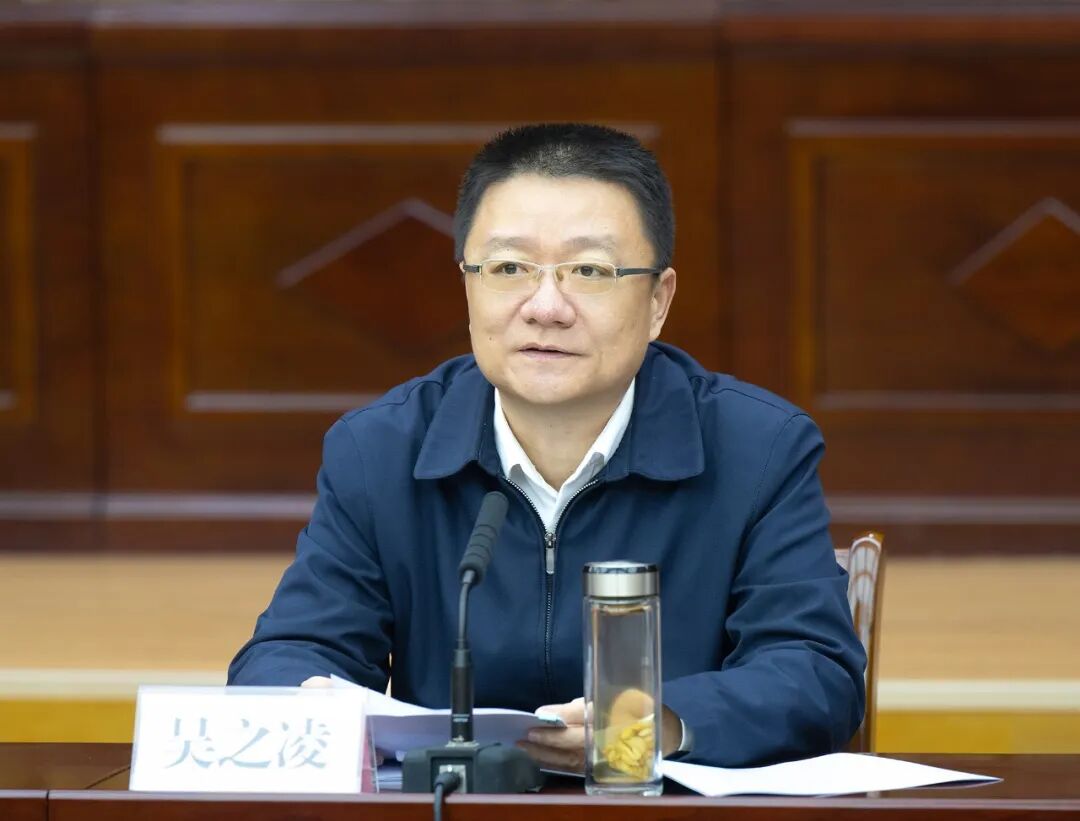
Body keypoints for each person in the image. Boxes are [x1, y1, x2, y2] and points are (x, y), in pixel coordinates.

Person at [228, 123, 866, 770]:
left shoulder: (758, 448)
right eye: (509, 269)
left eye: (589, 271)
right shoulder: (381, 449)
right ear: (467, 284)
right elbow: (287, 654)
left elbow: (814, 672)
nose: (546, 306)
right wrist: (304, 694)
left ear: (658, 301)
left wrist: (647, 726)